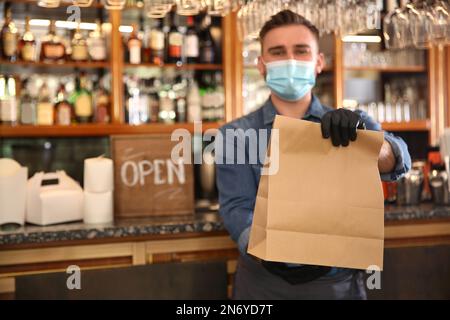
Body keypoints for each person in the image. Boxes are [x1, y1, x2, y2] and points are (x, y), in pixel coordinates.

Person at [215, 10, 411, 300]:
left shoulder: (352, 121)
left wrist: (365, 142)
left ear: (319, 62)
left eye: (301, 51)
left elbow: (399, 160)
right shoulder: (235, 135)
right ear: (261, 65)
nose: (290, 60)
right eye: (278, 52)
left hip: (337, 285)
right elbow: (236, 207)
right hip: (263, 285)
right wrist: (265, 251)